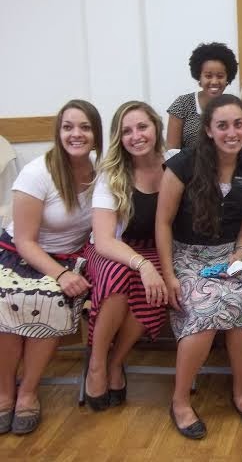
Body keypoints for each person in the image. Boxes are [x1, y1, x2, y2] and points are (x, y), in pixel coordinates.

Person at [156, 94, 242, 439]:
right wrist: (169, 275)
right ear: (208, 129)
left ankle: (240, 392)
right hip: (186, 256)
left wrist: (241, 252)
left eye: (238, 124)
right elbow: (163, 222)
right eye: (222, 125)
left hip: (229, 256)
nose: (231, 132)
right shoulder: (182, 165)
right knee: (206, 312)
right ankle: (179, 401)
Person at [0, 100, 103, 435]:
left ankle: (28, 391)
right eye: (68, 127)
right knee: (8, 299)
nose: (76, 134)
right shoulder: (38, 172)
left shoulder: (101, 171)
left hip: (69, 257)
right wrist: (60, 274)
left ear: (96, 133)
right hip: (20, 253)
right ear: (58, 133)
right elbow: (25, 241)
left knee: (50, 299)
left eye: (85, 127)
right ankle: (4, 391)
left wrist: (66, 273)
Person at [82, 101, 167, 412]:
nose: (136, 136)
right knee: (119, 275)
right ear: (119, 138)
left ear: (156, 127)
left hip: (155, 248)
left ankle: (116, 361)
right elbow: (104, 240)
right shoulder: (112, 173)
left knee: (157, 284)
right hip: (112, 248)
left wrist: (150, 266)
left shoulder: (174, 164)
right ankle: (96, 363)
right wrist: (142, 265)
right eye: (127, 131)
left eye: (142, 127)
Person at [166, 42, 239, 150]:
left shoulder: (233, 104)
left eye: (220, 76)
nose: (214, 82)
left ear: (227, 79)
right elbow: (172, 151)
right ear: (199, 77)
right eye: (208, 76)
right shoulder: (182, 104)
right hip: (187, 161)